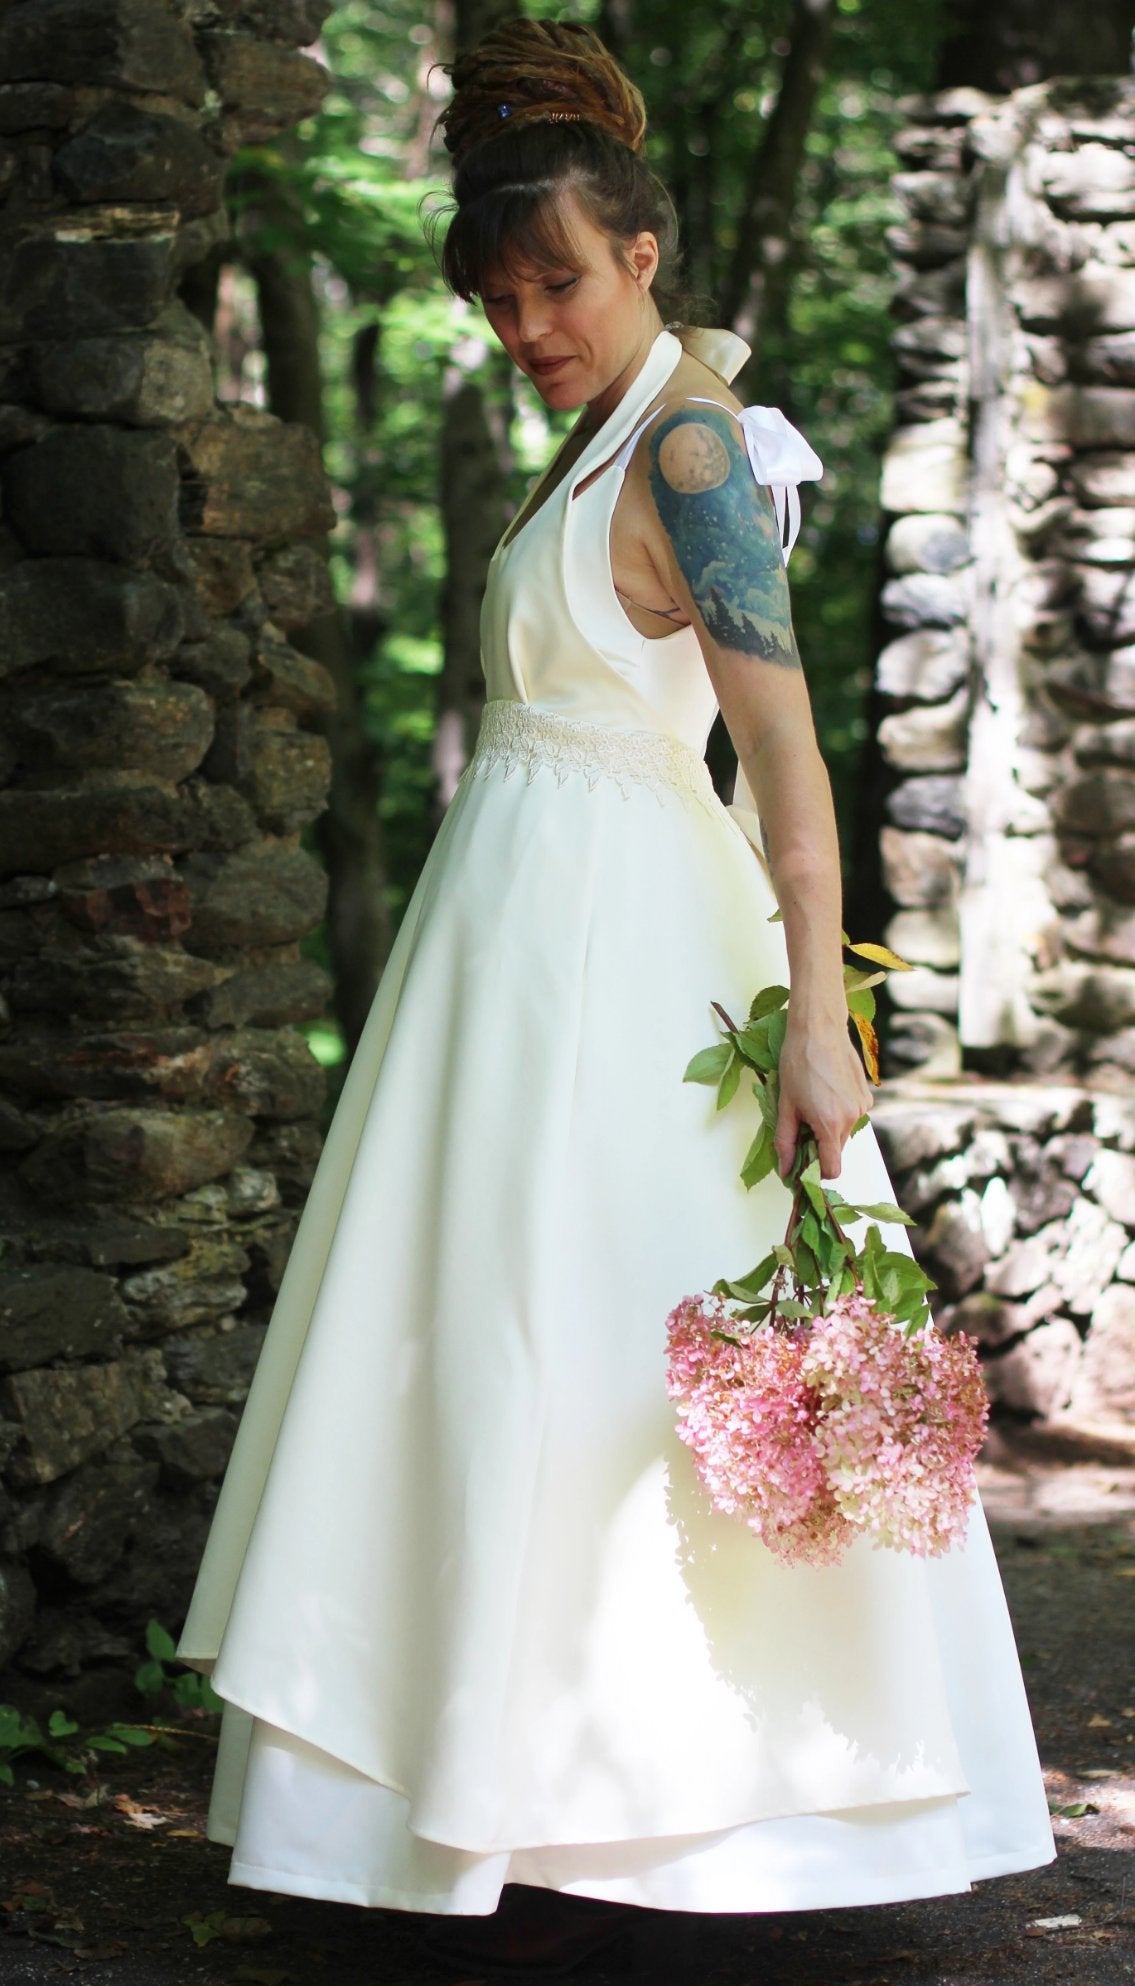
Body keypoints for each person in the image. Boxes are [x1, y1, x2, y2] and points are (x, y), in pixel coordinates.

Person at [174, 16, 1054, 1973]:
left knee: (624, 1326)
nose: (526, 323)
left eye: (556, 279)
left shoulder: (692, 445)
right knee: (488, 1330)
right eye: (496, 296)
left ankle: (689, 1801)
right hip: (499, 964)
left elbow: (795, 773)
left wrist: (818, 1019)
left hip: (642, 952)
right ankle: (483, 1764)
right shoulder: (589, 441)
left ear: (642, 250)